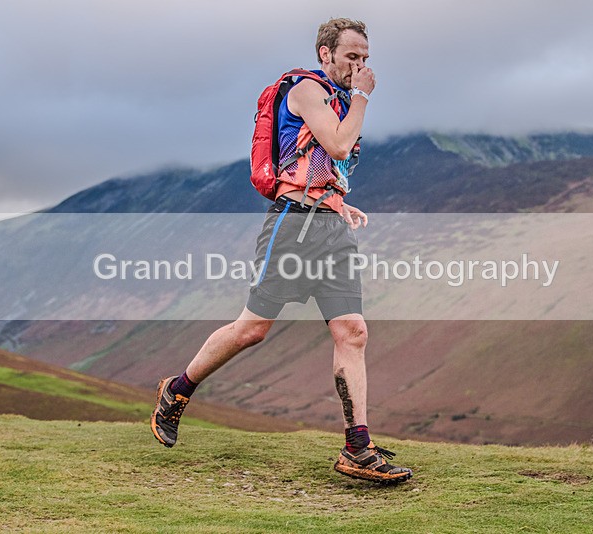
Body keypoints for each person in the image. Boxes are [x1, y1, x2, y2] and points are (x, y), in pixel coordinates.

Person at [151, 18, 412, 484]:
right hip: (292, 228)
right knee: (252, 330)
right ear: (325, 54)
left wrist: (338, 202)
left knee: (352, 332)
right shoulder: (307, 90)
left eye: (365, 58)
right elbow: (337, 142)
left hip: (331, 228)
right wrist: (365, 97)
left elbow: (320, 164)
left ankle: (358, 447)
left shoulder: (338, 99)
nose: (360, 65)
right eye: (352, 56)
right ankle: (178, 389)